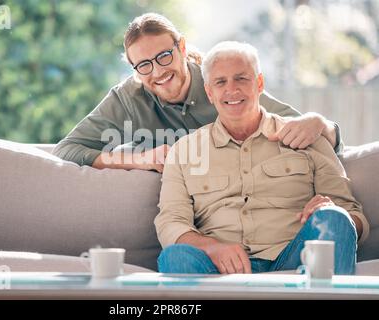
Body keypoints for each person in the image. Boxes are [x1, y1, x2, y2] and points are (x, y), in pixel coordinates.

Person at [154, 41, 369, 275]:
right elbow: (171, 223)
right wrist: (212, 248)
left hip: (296, 260)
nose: (231, 89)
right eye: (220, 82)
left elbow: (353, 217)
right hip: (219, 269)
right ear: (209, 92)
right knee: (175, 257)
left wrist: (331, 211)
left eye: (241, 79)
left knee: (335, 219)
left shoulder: (306, 136)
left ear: (259, 83)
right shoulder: (184, 151)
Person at [52, 13, 342, 173]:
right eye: (143, 65)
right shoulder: (127, 97)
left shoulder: (220, 82)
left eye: (164, 56)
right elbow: (66, 150)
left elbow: (303, 128)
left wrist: (320, 123)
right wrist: (137, 159)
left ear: (181, 48)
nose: (157, 72)